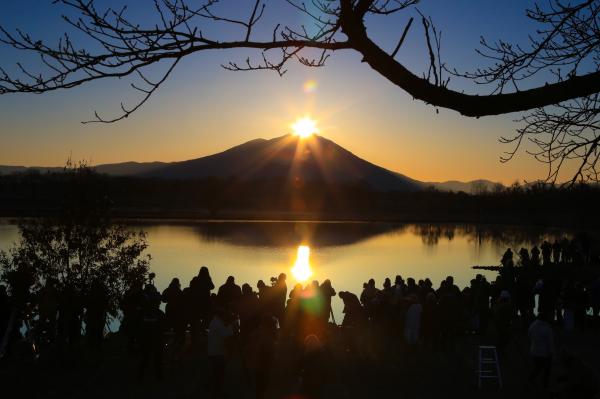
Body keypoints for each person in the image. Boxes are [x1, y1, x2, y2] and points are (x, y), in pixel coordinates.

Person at [207, 308, 235, 397]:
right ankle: (218, 393)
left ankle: (216, 392)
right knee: (219, 375)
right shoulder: (218, 323)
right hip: (218, 353)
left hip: (213, 352)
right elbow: (227, 335)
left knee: (216, 375)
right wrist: (231, 325)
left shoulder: (214, 322)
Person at [138, 292, 165, 380]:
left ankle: (140, 376)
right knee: (157, 359)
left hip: (147, 340)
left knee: (146, 358)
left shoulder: (143, 313)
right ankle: (159, 376)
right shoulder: (160, 314)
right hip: (156, 340)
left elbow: (140, 326)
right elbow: (165, 325)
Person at [528, 312, 555, 390]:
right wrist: (552, 353)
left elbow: (529, 336)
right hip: (544, 353)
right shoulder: (547, 328)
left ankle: (531, 379)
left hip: (534, 351)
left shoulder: (533, 325)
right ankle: (545, 386)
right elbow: (550, 342)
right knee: (546, 371)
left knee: (537, 368)